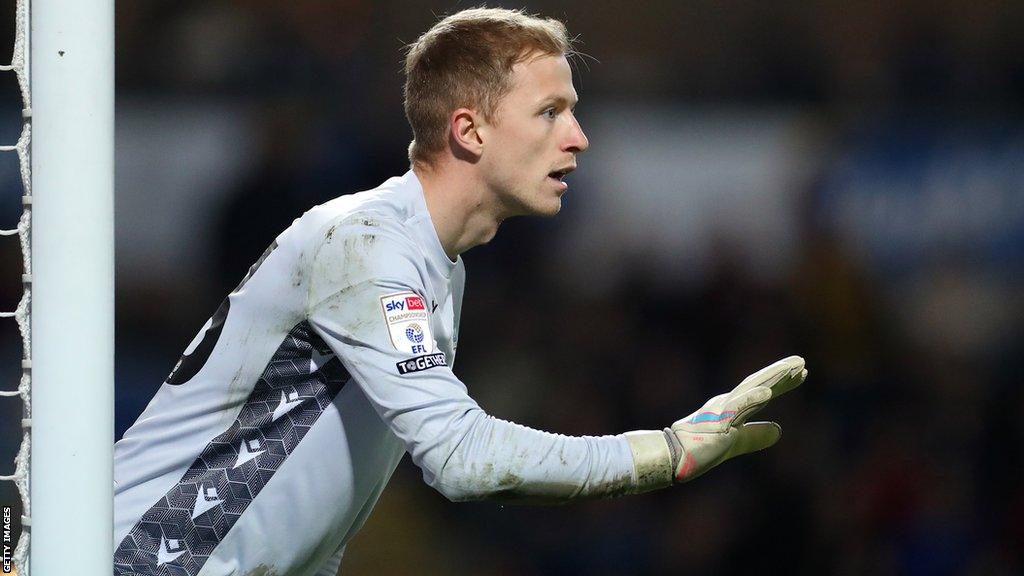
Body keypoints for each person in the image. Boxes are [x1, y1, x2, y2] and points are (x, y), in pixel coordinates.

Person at [112, 7, 809, 576]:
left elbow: (315, 500)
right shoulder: (368, 246)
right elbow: (460, 459)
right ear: (469, 130)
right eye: (549, 112)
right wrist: (662, 451)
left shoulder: (439, 264)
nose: (579, 138)